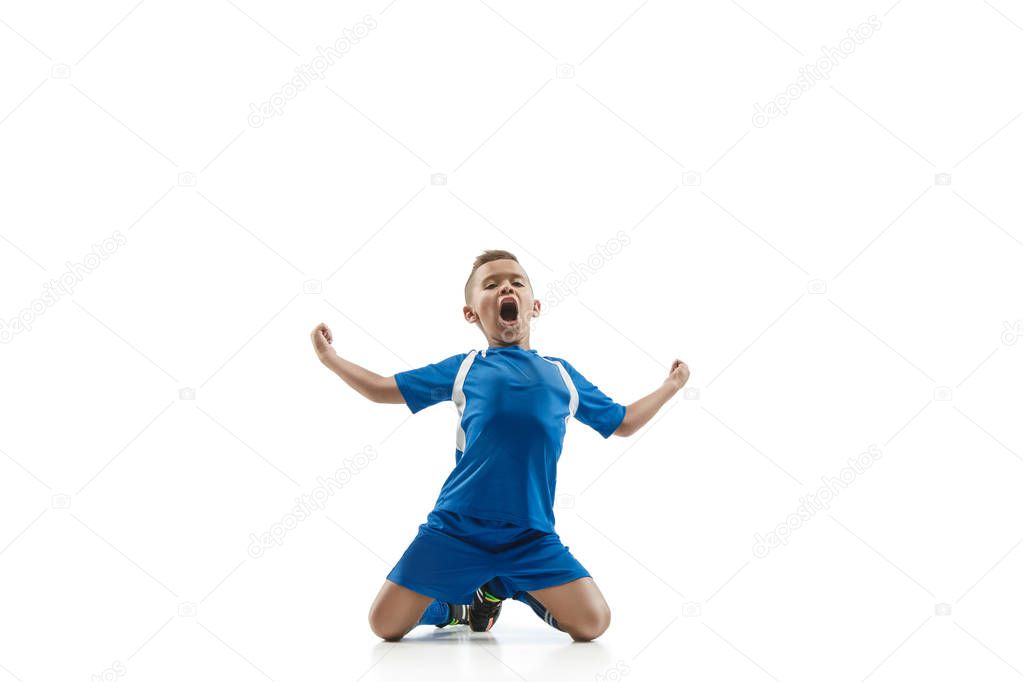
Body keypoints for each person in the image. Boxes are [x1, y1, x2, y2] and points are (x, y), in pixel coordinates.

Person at [310, 249, 689, 642]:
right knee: (384, 625)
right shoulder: (464, 368)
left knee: (594, 623)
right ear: (471, 313)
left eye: (516, 282)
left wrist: (671, 387)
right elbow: (379, 388)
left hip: (530, 535)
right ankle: (455, 608)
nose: (505, 286)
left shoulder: (561, 375)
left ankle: (498, 588)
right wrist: (330, 358)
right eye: (490, 285)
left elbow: (623, 422)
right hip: (456, 529)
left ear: (534, 306)